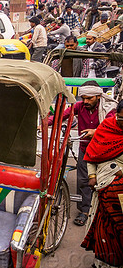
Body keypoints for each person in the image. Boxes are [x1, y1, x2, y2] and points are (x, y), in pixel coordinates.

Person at [48, 81, 117, 226]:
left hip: (105, 151)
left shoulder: (109, 109)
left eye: (89, 98)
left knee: (106, 182)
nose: (85, 101)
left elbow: (113, 127)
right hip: (86, 151)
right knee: (84, 181)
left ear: (98, 96)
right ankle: (84, 211)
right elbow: (61, 116)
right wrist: (43, 123)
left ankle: (105, 211)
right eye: (83, 98)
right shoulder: (79, 106)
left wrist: (96, 132)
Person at [81, 101, 123, 268]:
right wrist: (92, 176)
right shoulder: (106, 127)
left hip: (119, 195)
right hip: (104, 189)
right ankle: (105, 267)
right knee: (105, 230)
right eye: (121, 118)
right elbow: (92, 153)